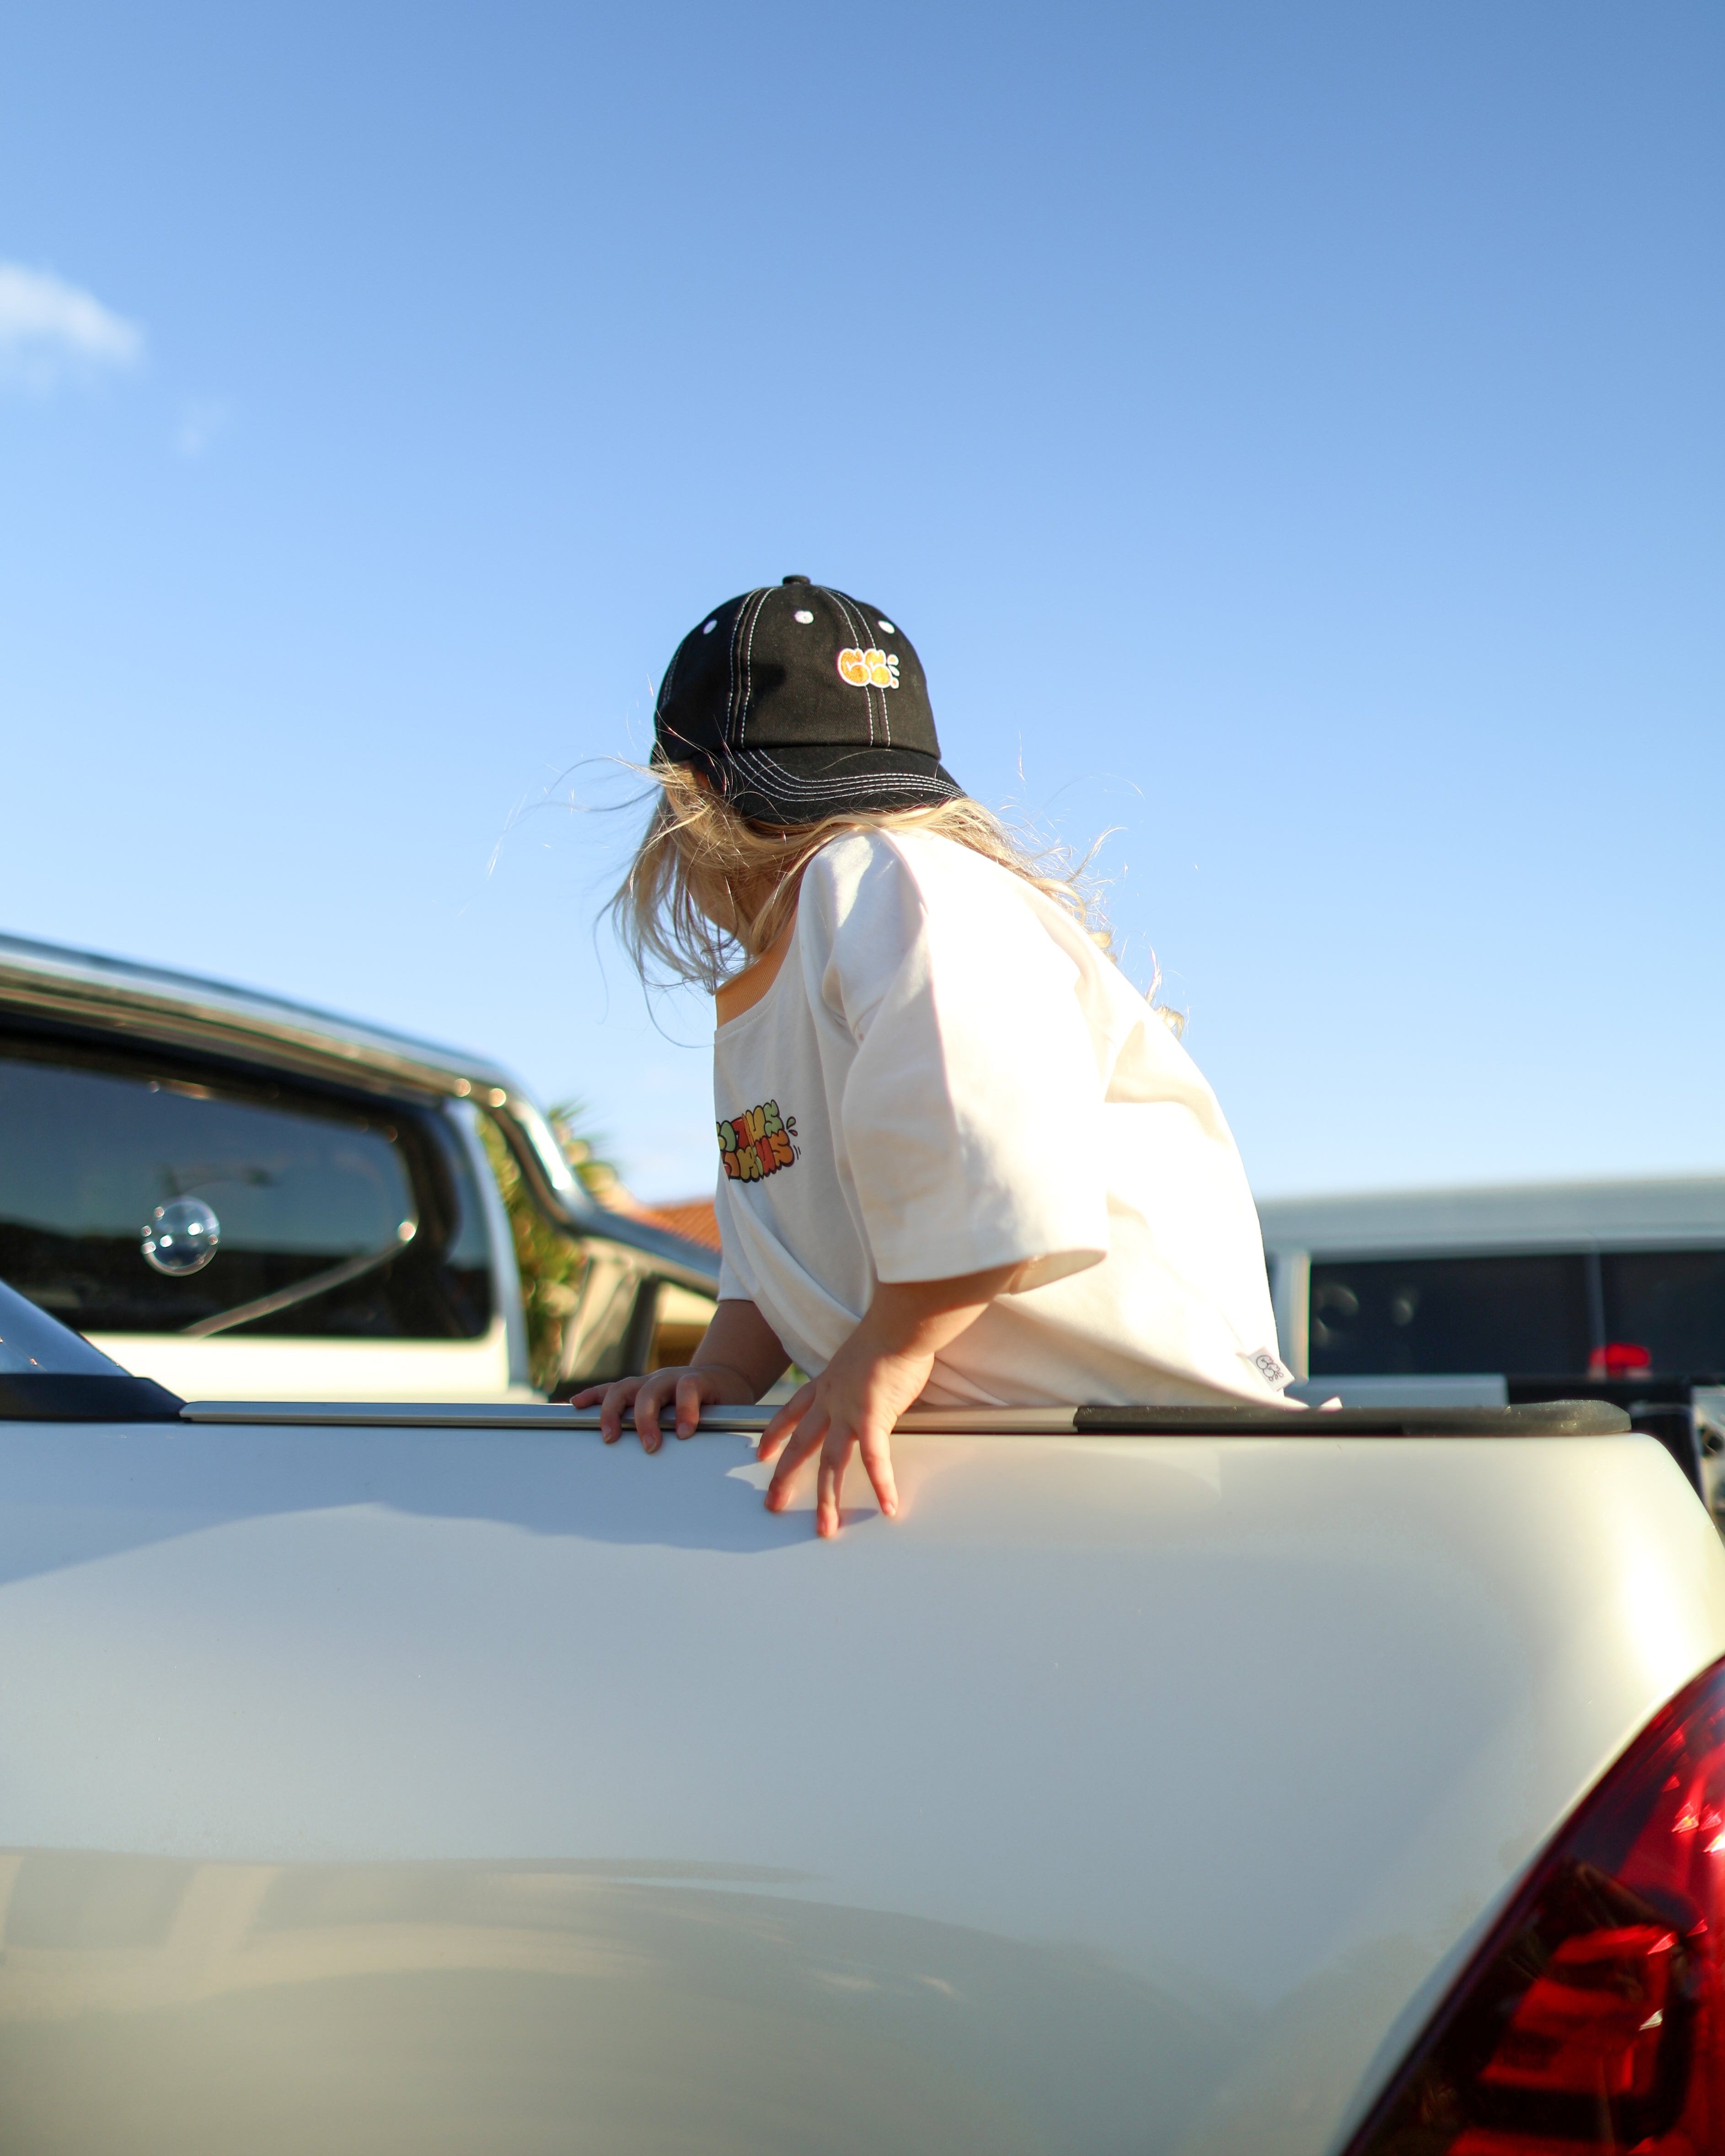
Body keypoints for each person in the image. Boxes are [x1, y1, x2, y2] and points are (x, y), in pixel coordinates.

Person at [574, 576, 1290, 1536]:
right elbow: (778, 1239)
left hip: (1155, 1442)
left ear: (689, 801)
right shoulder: (782, 981)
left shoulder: (878, 877)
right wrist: (718, 1371)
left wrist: (889, 1347)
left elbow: (987, 1133)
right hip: (1048, 1461)